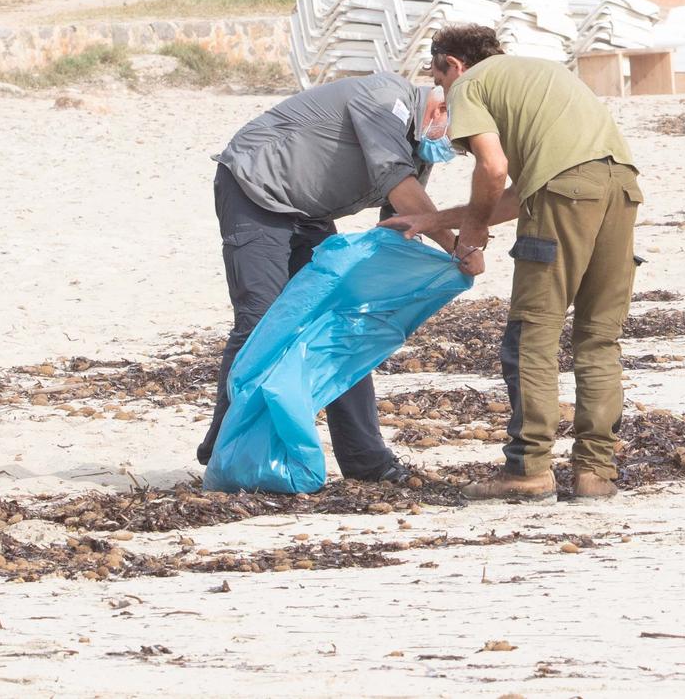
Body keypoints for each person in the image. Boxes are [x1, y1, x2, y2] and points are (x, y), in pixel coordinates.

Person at [389, 25, 643, 504]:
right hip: (620, 187)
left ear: (453, 64)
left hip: (564, 194)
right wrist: (433, 219)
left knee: (533, 335)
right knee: (598, 336)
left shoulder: (470, 85)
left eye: (438, 79)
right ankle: (595, 473)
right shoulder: (542, 72)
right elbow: (515, 196)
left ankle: (529, 469)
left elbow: (493, 168)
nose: (443, 92)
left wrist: (474, 232)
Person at [198, 70, 458, 485]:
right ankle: (224, 444)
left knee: (340, 325)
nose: (451, 147)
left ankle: (365, 458)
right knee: (261, 321)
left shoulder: (420, 150)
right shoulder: (384, 98)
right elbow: (403, 189)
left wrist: (410, 283)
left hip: (310, 212)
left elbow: (403, 221)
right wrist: (459, 248)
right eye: (455, 136)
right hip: (256, 187)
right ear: (440, 108)